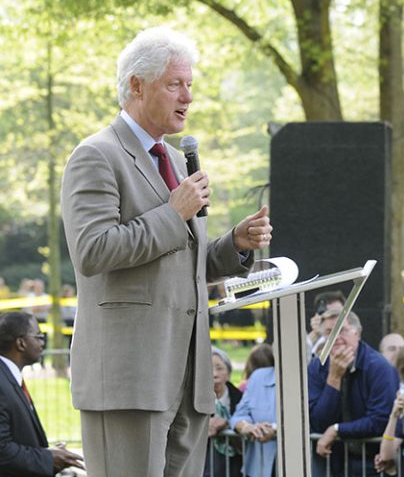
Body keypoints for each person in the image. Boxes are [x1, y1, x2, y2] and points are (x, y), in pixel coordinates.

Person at [59, 27, 273, 476]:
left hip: (188, 377)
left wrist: (234, 244)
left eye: (190, 84)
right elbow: (93, 251)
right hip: (130, 377)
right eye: (175, 84)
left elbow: (183, 261)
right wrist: (174, 214)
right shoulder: (96, 155)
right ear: (136, 85)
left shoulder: (175, 160)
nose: (188, 96)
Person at [309, 310, 399, 475]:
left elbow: (380, 420)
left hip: (372, 462)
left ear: (357, 333)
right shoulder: (316, 367)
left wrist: (337, 429)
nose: (336, 338)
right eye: (329, 332)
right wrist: (334, 377)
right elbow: (318, 422)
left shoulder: (379, 367)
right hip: (331, 462)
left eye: (342, 330)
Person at [0, 312, 84, 476]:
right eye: (38, 336)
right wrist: (48, 458)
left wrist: (48, 452)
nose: (42, 342)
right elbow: (2, 450)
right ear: (21, 343)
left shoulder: (9, 377)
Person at [231, 344, 277, 477]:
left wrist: (276, 429)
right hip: (259, 468)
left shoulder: (308, 375)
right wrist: (247, 427)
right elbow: (239, 415)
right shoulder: (258, 377)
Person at [204, 347, 243, 477]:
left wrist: (228, 424)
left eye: (220, 368)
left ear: (228, 373)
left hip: (235, 468)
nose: (214, 374)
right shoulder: (194, 401)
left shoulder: (240, 398)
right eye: (209, 369)